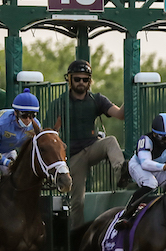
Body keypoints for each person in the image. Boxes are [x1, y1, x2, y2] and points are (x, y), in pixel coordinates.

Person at [53, 59, 127, 228]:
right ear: (69, 79)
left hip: (93, 147)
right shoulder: (61, 102)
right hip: (74, 156)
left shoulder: (96, 99)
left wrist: (132, 93)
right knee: (77, 202)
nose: (81, 82)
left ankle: (121, 173)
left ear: (90, 81)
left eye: (85, 79)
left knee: (110, 141)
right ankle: (76, 239)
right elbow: (52, 132)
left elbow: (120, 114)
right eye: (77, 79)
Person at [116, 113, 166, 229]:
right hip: (138, 165)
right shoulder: (146, 140)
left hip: (158, 166)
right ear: (154, 134)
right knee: (151, 183)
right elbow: (145, 164)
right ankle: (126, 214)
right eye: (164, 138)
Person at [0, 89, 42, 195]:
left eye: (32, 115)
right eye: (24, 115)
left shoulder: (36, 126)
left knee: (16, 177)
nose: (28, 120)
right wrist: (5, 162)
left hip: (7, 149)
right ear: (15, 112)